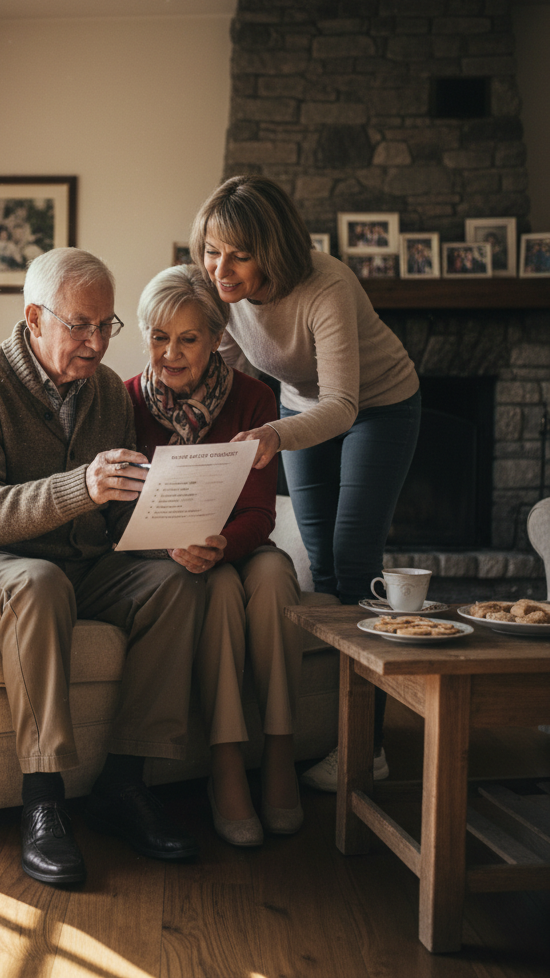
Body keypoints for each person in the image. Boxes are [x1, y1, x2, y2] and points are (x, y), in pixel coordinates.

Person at [0, 246, 206, 886]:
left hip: (82, 563)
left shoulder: (108, 392)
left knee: (174, 583)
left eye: (106, 326)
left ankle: (124, 783)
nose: (96, 343)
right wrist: (82, 486)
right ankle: (44, 797)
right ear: (34, 318)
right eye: (79, 325)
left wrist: (171, 540)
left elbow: (114, 519)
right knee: (40, 581)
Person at [189, 176, 421, 793]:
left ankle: (367, 747)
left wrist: (269, 436)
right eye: (212, 250)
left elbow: (343, 403)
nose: (221, 268)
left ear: (274, 248)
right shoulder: (219, 291)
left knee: (353, 560)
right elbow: (230, 367)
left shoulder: (327, 284)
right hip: (297, 406)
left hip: (378, 406)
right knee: (320, 572)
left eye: (239, 253)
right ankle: (335, 730)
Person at [125, 265, 303, 846]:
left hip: (240, 543)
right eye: (158, 337)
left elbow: (261, 511)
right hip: (168, 556)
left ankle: (279, 754)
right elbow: (120, 507)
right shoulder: (124, 400)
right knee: (220, 589)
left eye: (187, 338)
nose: (169, 353)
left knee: (275, 572)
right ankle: (226, 766)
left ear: (216, 339)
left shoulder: (255, 398)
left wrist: (225, 544)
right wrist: (177, 545)